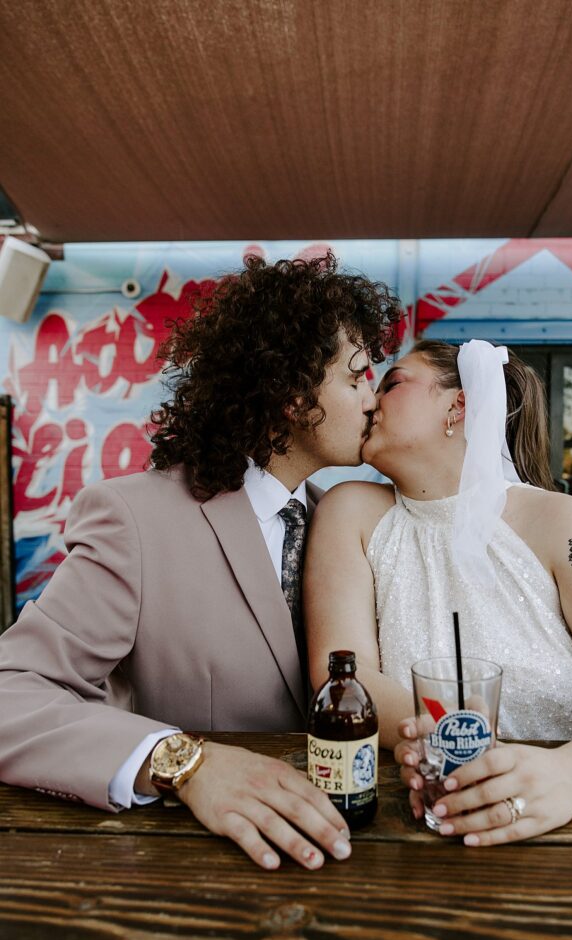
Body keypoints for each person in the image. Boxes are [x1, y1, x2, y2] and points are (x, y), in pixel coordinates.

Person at [0, 253, 401, 871]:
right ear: (294, 396)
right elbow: (12, 694)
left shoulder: (351, 529)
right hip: (189, 875)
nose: (374, 401)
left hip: (368, 861)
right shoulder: (132, 520)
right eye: (356, 379)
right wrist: (184, 763)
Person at [304, 338, 572, 846]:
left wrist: (569, 778)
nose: (370, 400)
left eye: (392, 382)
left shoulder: (564, 525)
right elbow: (343, 673)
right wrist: (456, 747)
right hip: (423, 814)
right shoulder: (349, 511)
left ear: (459, 405)